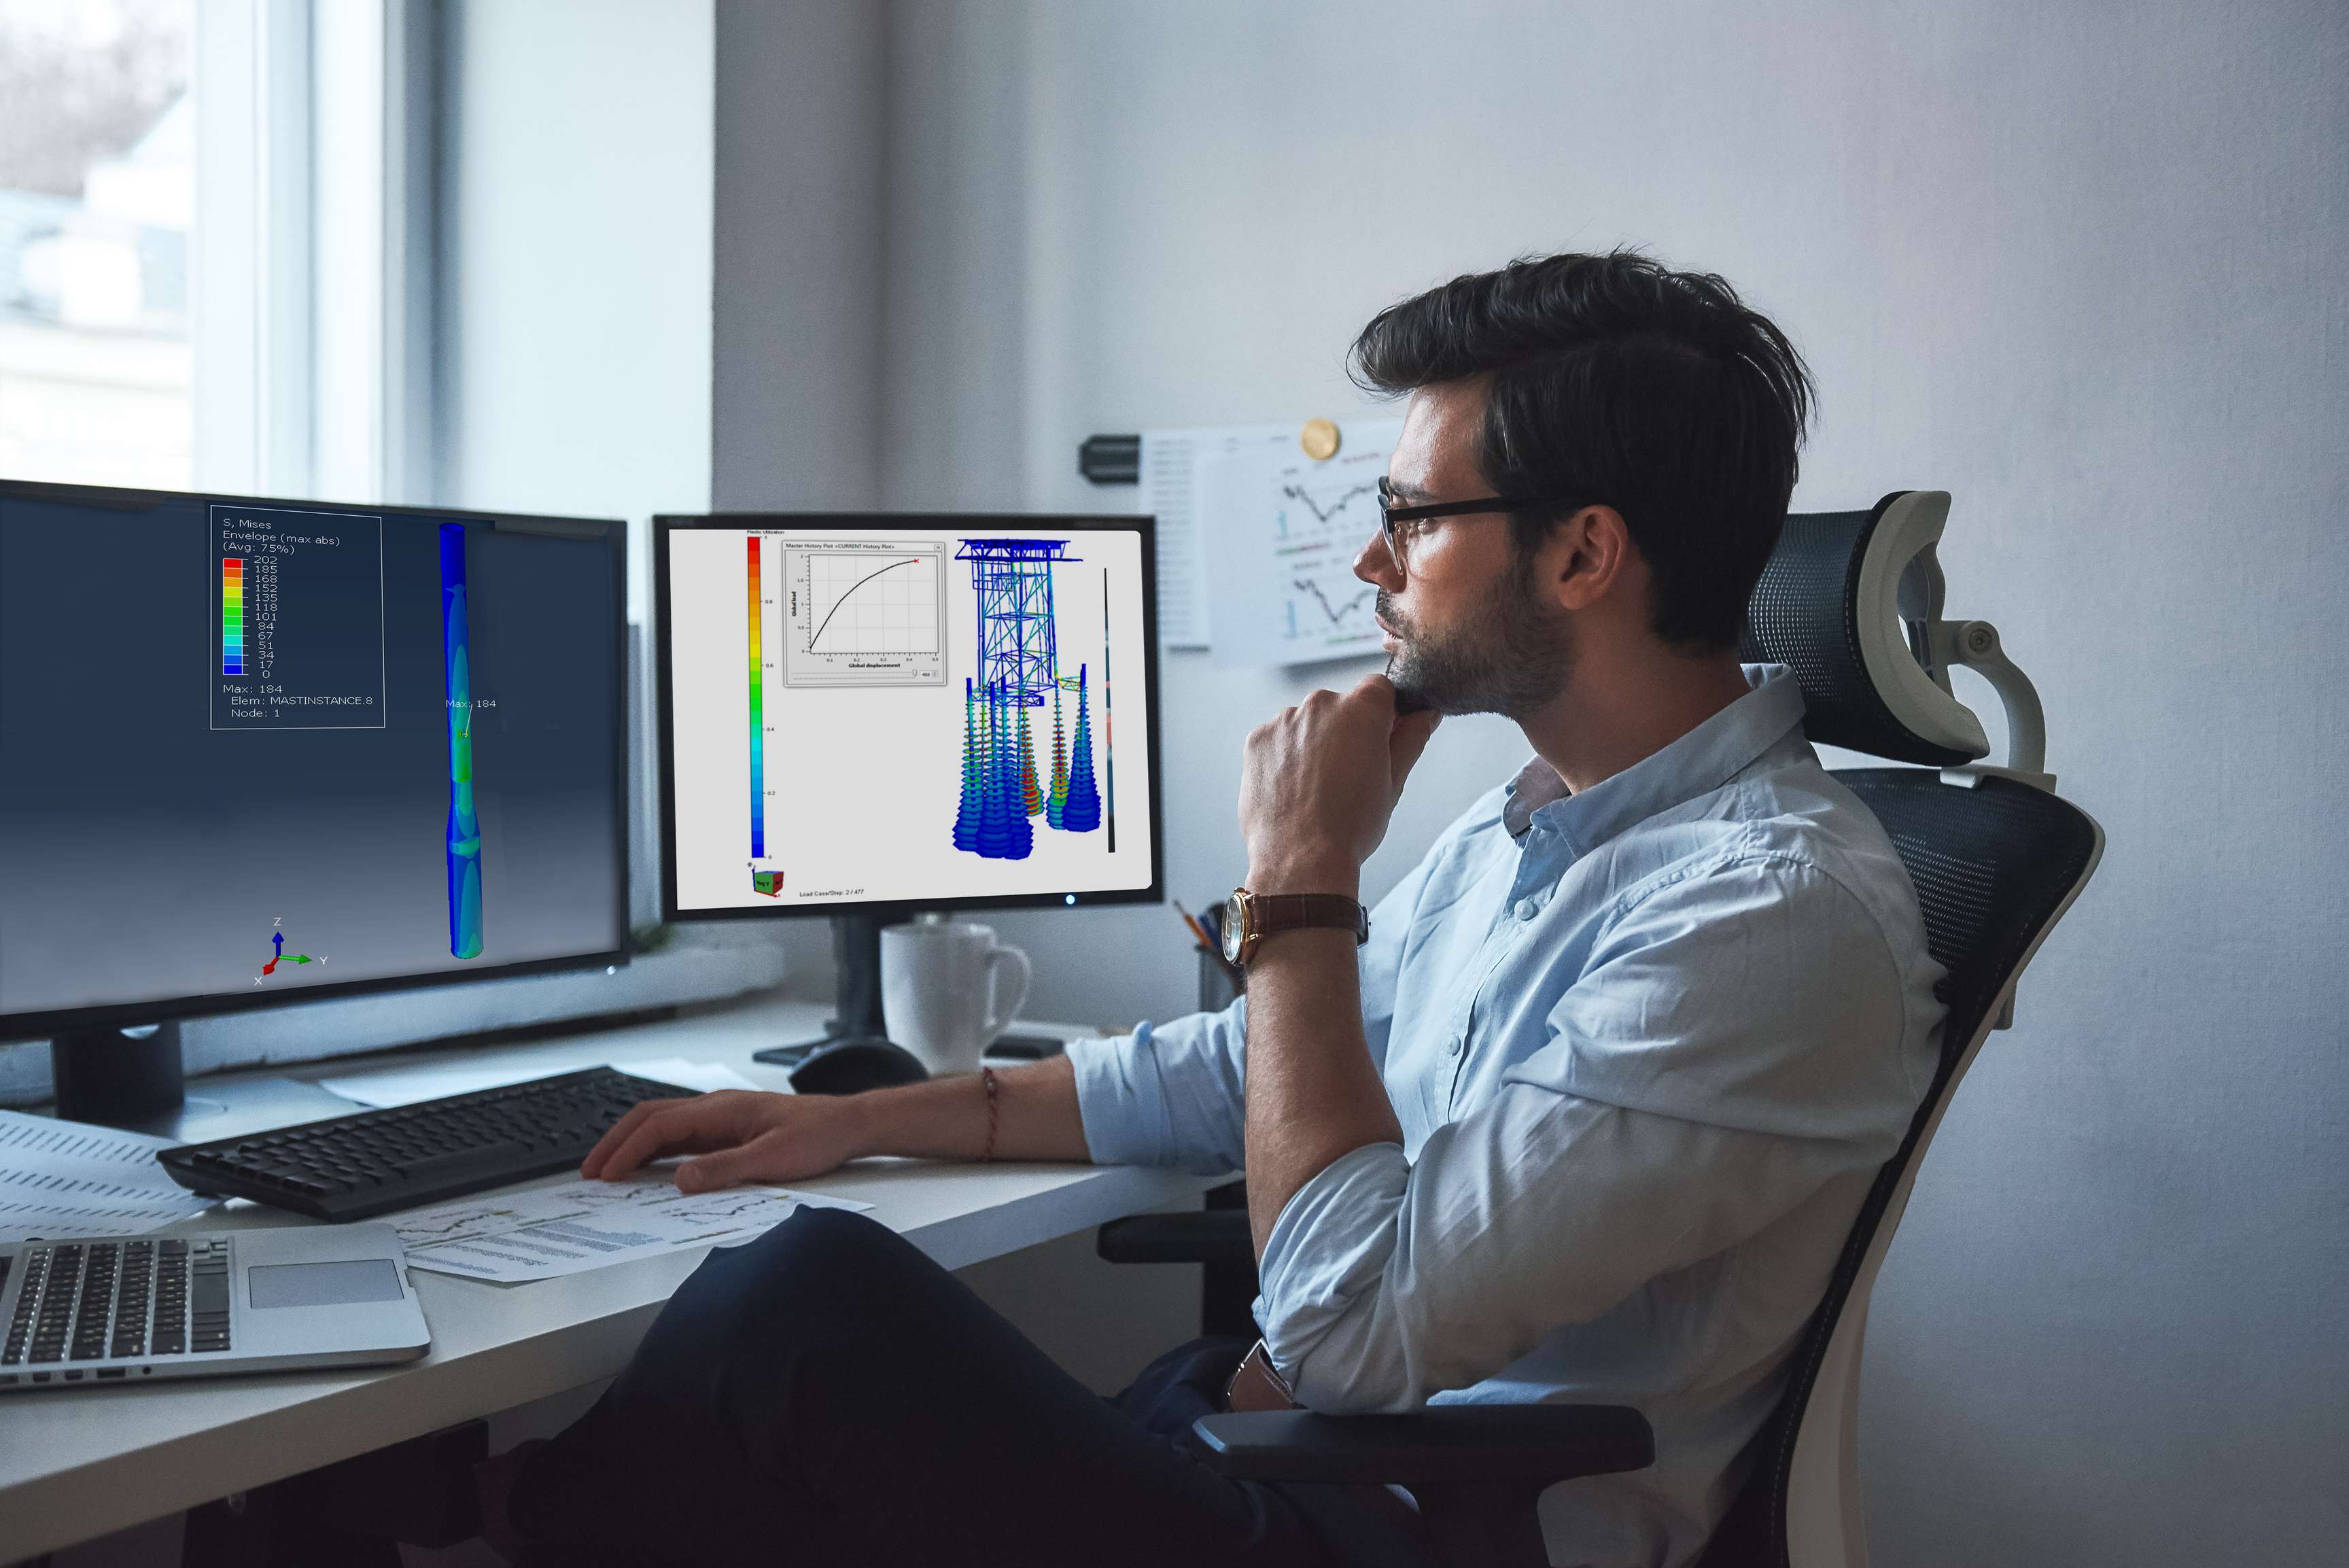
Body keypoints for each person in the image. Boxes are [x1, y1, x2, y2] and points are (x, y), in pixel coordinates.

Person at [487, 251, 1945, 1568]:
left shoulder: (1766, 913)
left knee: (802, 1309)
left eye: (1413, 517)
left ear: (1581, 554)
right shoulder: (1540, 830)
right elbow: (1240, 1071)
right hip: (1298, 1457)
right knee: (794, 1443)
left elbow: (1348, 1326)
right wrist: (866, 1116)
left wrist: (1302, 887)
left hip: (1419, 1525)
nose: (1372, 563)